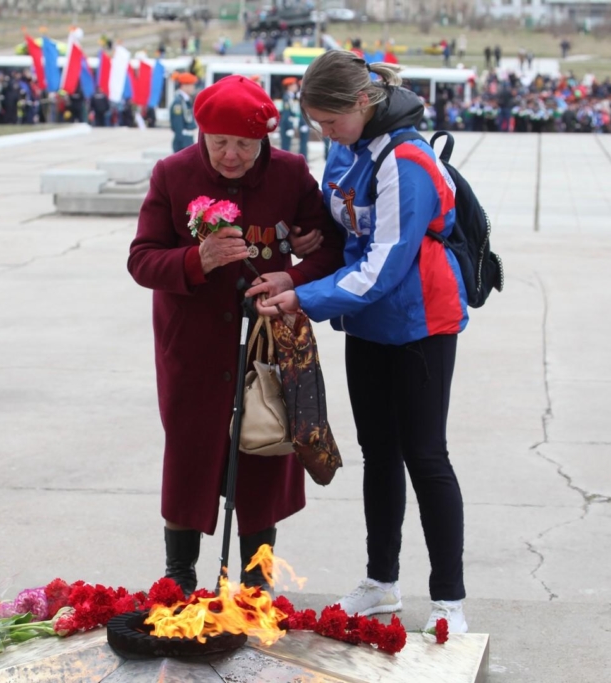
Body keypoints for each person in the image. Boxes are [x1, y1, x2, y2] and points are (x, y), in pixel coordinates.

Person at [252, 50, 471, 636]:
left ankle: (448, 598)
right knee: (379, 454)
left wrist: (305, 298)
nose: (325, 134)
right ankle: (381, 583)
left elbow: (385, 265)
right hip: (368, 323)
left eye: (331, 122)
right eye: (317, 125)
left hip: (421, 321)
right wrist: (305, 242)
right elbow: (342, 229)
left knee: (426, 455)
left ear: (363, 102)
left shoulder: (407, 159)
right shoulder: (347, 150)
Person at [127, 75, 344, 596]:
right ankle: (179, 571)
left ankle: (255, 577)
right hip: (193, 343)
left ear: (264, 139)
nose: (230, 155)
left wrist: (294, 275)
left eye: (244, 145)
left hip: (267, 341)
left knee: (264, 448)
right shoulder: (173, 173)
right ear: (200, 133)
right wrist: (194, 259)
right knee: (190, 449)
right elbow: (141, 259)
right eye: (219, 142)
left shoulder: (290, 173)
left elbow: (329, 247)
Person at [169, 72, 198, 153]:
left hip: (187, 140)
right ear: (184, 86)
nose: (193, 87)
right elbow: (178, 125)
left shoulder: (185, 101)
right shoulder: (178, 103)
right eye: (191, 85)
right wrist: (182, 144)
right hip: (183, 142)